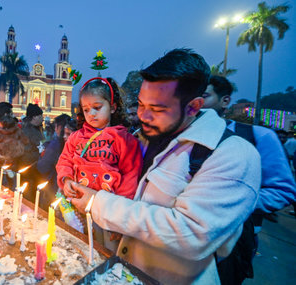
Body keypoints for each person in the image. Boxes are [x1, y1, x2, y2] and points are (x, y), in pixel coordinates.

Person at [68, 49, 261, 284]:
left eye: (158, 109)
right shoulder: (139, 138)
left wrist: (97, 202)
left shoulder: (232, 155)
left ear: (193, 106)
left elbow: (190, 234)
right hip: (123, 271)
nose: (143, 116)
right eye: (140, 104)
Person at [56, 77, 143, 250]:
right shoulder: (76, 137)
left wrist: (120, 217)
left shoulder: (124, 139)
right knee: (77, 248)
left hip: (106, 211)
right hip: (77, 207)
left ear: (112, 107)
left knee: (105, 253)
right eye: (86, 110)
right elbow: (64, 160)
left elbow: (130, 177)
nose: (91, 114)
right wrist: (66, 179)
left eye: (97, 108)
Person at [203, 75, 296, 228]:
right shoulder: (178, 135)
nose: (196, 102)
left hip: (235, 237)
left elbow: (282, 191)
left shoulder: (259, 136)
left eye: (204, 96)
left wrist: (227, 204)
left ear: (225, 101)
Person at [37, 114, 71, 208]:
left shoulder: (55, 145)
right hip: (65, 188)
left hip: (53, 187)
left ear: (58, 127)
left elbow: (43, 167)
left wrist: (41, 156)